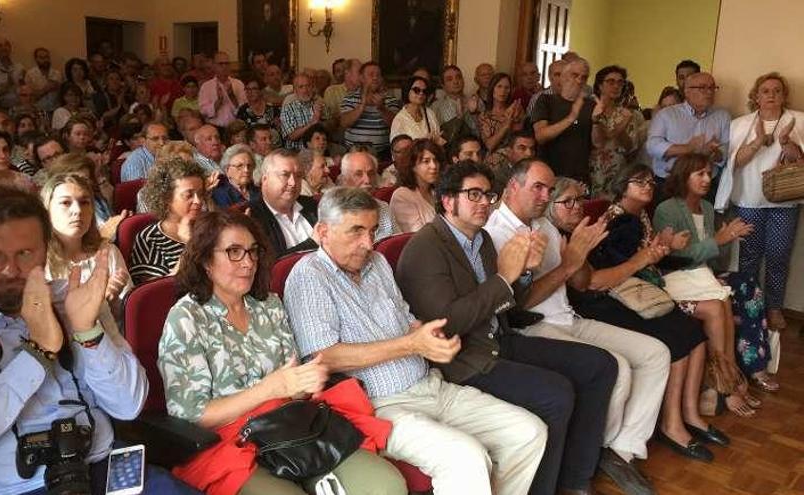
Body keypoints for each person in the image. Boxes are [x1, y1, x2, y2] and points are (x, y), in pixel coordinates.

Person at [0, 184, 196, 494]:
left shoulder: (75, 298)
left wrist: (88, 332)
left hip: (99, 467)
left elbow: (128, 405)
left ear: (46, 247)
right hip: (8, 487)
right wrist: (37, 353)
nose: (11, 269)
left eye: (25, 253)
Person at [284, 186, 548, 495]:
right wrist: (412, 344)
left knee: (529, 433)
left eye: (372, 231)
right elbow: (324, 356)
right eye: (355, 232)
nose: (368, 243)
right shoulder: (309, 275)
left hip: (430, 385)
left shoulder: (378, 264)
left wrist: (428, 336)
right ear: (322, 231)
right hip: (378, 408)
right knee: (465, 457)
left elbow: (407, 321)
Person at [397, 162, 619, 495]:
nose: (484, 202)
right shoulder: (425, 247)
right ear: (447, 201)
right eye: (473, 194)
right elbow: (448, 323)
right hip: (462, 361)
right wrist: (505, 278)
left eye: (488, 194)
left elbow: (511, 302)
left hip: (498, 339)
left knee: (599, 365)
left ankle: (573, 479)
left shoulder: (482, 239)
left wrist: (524, 273)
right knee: (556, 393)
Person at [158, 208, 407, 495]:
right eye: (234, 252)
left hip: (289, 424)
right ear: (205, 260)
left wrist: (306, 380)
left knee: (386, 485)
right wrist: (268, 389)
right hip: (228, 442)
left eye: (253, 252)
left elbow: (292, 383)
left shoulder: (268, 305)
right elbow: (192, 415)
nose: (248, 263)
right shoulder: (187, 318)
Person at [485, 159, 671, 489]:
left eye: (548, 188)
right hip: (534, 326)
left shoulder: (544, 224)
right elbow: (518, 305)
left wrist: (581, 251)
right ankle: (594, 449)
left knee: (656, 353)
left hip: (571, 318)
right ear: (513, 188)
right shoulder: (495, 233)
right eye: (537, 188)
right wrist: (568, 265)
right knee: (618, 367)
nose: (545, 196)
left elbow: (582, 283)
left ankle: (621, 450)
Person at [552, 176, 718, 462]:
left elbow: (593, 277)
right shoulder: (603, 224)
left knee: (691, 331)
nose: (577, 206)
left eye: (580, 199)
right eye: (567, 201)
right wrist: (642, 260)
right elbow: (593, 282)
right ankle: (671, 425)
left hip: (609, 295)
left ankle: (688, 413)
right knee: (675, 340)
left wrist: (650, 256)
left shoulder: (592, 228)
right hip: (592, 304)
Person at [653, 154, 777, 405]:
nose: (707, 179)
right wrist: (717, 241)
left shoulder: (707, 208)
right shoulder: (667, 209)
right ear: (683, 176)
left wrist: (723, 243)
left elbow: (708, 256)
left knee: (748, 285)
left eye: (709, 173)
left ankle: (748, 368)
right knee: (722, 303)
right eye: (699, 174)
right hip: (677, 276)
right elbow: (671, 259)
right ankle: (727, 382)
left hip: (701, 275)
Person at [716, 72, 803, 332]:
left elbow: (799, 162)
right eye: (765, 91)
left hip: (784, 202)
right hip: (748, 199)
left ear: (784, 95)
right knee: (749, 257)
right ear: (756, 96)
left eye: (777, 90)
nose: (771, 95)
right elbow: (733, 164)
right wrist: (756, 142)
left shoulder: (798, 121)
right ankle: (747, 305)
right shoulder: (740, 124)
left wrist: (787, 143)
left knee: (778, 256)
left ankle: (774, 307)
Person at [41, 172, 132, 328]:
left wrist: (113, 299)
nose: (77, 210)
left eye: (84, 202)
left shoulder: (107, 252)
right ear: (46, 211)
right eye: (65, 203)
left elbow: (127, 321)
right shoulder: (38, 261)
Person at [646, 72, 730, 195]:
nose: (709, 92)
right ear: (687, 91)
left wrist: (714, 153)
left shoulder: (722, 116)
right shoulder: (667, 114)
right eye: (702, 87)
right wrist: (689, 148)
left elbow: (726, 151)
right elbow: (653, 146)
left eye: (712, 88)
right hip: (670, 182)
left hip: (706, 184)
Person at [130, 158, 206, 284]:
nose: (198, 201)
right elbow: (160, 291)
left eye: (201, 194)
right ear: (166, 198)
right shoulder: (149, 239)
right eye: (188, 195)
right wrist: (190, 246)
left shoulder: (209, 227)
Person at [532, 58, 601, 184]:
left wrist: (596, 121)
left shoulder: (591, 105)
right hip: (550, 174)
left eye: (584, 77)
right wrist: (571, 117)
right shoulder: (546, 100)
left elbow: (598, 144)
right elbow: (540, 136)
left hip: (580, 177)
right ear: (563, 77)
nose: (579, 80)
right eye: (575, 75)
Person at [589, 65, 646, 199]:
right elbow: (598, 142)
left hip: (619, 171)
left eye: (620, 82)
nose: (616, 86)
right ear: (600, 86)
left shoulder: (627, 114)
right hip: (593, 170)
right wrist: (597, 120)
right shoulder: (590, 107)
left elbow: (629, 148)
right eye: (611, 82)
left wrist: (623, 124)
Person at [247, 150, 317, 256]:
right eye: (285, 175)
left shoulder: (312, 205)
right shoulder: (253, 217)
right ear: (264, 179)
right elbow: (271, 262)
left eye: (298, 176)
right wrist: (313, 242)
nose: (293, 183)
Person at [340, 62, 401, 158]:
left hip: (382, 154)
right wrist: (362, 106)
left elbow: (397, 125)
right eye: (371, 74)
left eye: (378, 75)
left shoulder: (390, 99)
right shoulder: (349, 98)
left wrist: (382, 108)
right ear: (361, 78)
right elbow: (344, 123)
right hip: (354, 153)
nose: (375, 78)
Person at [335, 150, 398, 241]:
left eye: (371, 173)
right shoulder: (335, 212)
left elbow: (399, 245)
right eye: (358, 174)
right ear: (345, 179)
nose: (367, 180)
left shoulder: (384, 207)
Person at [389, 138, 444, 232]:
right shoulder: (402, 196)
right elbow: (418, 236)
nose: (434, 166)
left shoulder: (436, 192)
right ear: (413, 166)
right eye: (426, 161)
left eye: (436, 160)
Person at [478, 73, 525, 170]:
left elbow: (519, 138)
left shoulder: (516, 110)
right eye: (499, 86)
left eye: (506, 87)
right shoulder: (484, 115)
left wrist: (516, 119)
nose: (503, 91)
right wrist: (507, 124)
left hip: (515, 158)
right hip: (493, 162)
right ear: (492, 89)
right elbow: (489, 145)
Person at [198, 51, 247, 128]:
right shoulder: (206, 86)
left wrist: (232, 97)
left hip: (235, 128)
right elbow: (203, 111)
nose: (224, 66)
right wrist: (218, 102)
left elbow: (245, 109)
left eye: (227, 63)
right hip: (214, 127)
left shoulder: (238, 84)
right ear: (214, 66)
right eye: (220, 64)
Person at [389, 76, 442, 145]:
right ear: (407, 90)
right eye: (416, 90)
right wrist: (422, 141)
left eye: (424, 91)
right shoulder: (399, 119)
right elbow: (397, 148)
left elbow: (438, 138)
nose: (421, 93)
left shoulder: (430, 113)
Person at [280, 74, 325, 150]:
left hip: (320, 150)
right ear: (295, 91)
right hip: (297, 152)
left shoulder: (319, 104)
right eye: (301, 87)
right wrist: (312, 123)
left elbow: (331, 127)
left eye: (308, 86)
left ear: (312, 87)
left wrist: (321, 119)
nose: (305, 90)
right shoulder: (288, 108)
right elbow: (292, 136)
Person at [212, 143, 260, 208]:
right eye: (239, 166)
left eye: (249, 166)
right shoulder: (221, 194)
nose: (246, 170)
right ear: (227, 170)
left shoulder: (259, 191)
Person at [24, 47, 62, 113]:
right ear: (36, 59)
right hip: (38, 110)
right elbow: (29, 96)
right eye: (42, 58)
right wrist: (45, 89)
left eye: (47, 57)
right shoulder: (30, 74)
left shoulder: (57, 74)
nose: (45, 60)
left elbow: (61, 93)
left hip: (56, 109)